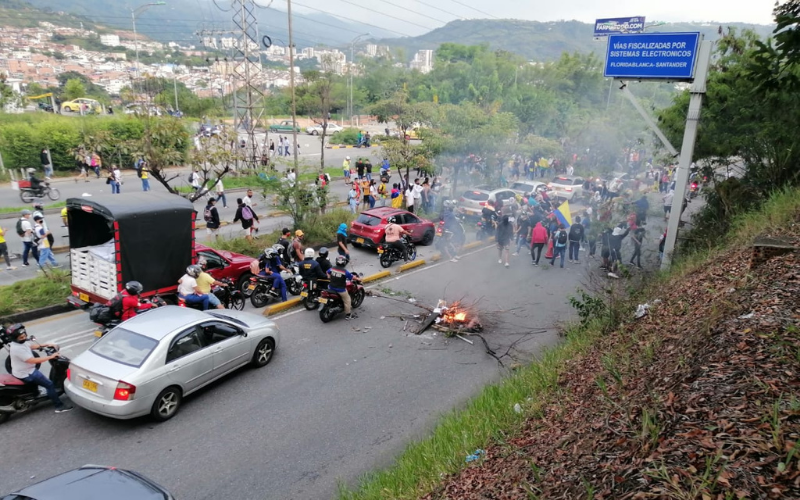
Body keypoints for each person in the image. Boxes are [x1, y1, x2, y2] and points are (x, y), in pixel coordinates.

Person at [7, 324, 72, 413]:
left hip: (24, 370)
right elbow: (33, 360)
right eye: (21, 337)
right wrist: (51, 357)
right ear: (15, 338)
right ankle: (59, 406)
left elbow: (31, 346)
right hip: (27, 373)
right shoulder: (17, 349)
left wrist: (45, 345)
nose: (24, 338)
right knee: (49, 384)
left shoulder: (20, 342)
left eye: (24, 336)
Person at [327, 255, 358, 320]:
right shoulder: (345, 271)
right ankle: (348, 315)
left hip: (330, 287)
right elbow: (352, 277)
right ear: (344, 262)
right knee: (347, 300)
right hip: (340, 290)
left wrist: (329, 277)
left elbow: (327, 272)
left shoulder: (332, 268)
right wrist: (359, 279)